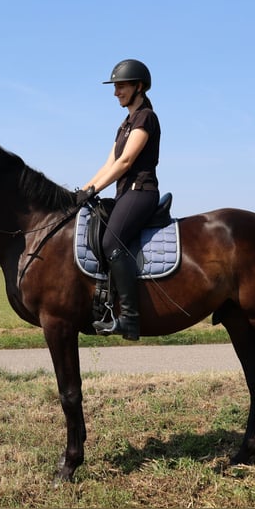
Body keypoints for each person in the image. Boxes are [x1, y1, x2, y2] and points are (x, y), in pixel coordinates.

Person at [81, 59, 161, 341]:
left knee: (112, 242)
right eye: (115, 87)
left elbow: (126, 161)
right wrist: (84, 190)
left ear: (139, 87)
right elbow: (109, 163)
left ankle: (130, 318)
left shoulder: (145, 118)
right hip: (125, 193)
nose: (116, 92)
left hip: (142, 191)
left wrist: (95, 189)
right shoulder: (124, 124)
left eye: (122, 86)